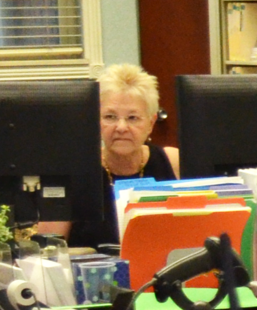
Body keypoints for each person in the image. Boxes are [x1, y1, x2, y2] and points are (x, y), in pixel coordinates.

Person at [43, 63, 183, 248]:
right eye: (110, 117)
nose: (121, 127)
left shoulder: (174, 163)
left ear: (151, 123)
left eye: (133, 118)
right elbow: (47, 253)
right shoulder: (72, 171)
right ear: (95, 120)